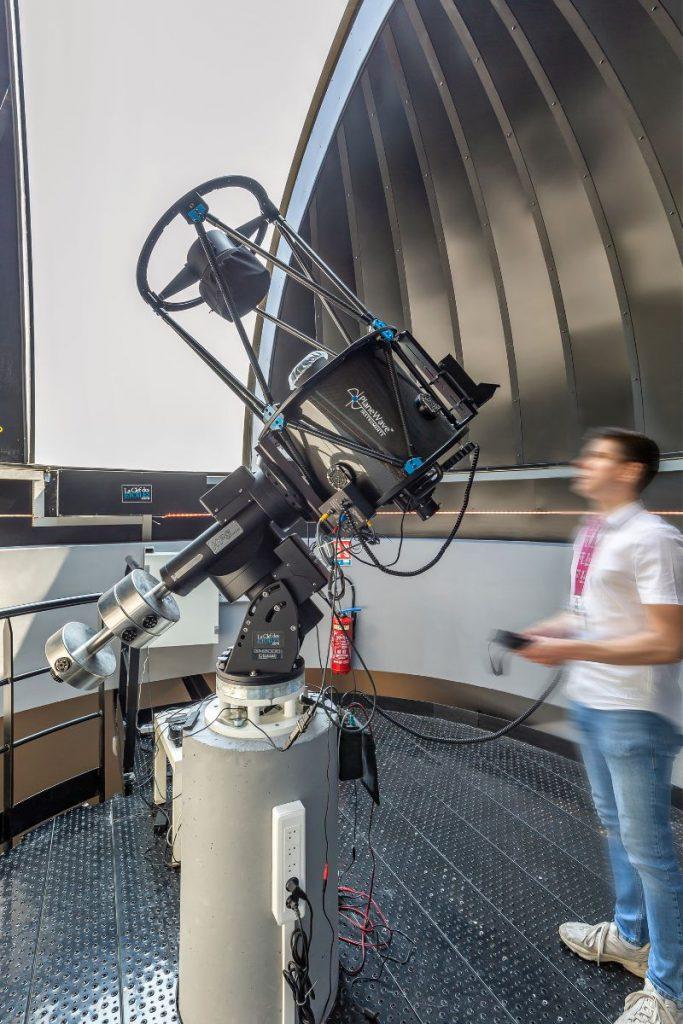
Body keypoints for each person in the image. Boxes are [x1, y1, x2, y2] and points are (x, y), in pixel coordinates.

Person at [519, 427, 683, 1024]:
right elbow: (586, 614)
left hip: (635, 715)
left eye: (599, 457)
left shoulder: (655, 539)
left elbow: (667, 641)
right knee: (618, 833)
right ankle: (632, 939)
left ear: (631, 471)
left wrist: (577, 653)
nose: (584, 463)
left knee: (650, 853)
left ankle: (669, 990)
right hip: (594, 704)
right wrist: (549, 633)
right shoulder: (593, 532)